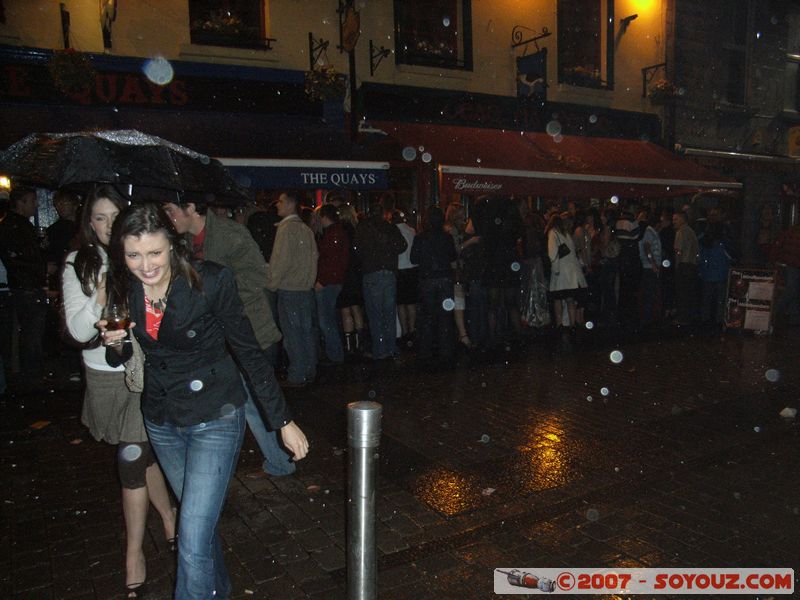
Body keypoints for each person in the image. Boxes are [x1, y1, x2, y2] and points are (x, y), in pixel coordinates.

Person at [102, 204, 308, 600]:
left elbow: (248, 351)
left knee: (191, 536)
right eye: (133, 255)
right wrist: (118, 344)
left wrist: (282, 420)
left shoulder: (209, 281)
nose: (145, 265)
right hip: (162, 419)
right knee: (200, 528)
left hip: (214, 414)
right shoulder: (124, 287)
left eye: (155, 253)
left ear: (173, 246)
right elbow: (126, 357)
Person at [62, 186, 175, 599]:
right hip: (104, 375)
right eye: (99, 218)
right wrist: (102, 293)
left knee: (132, 456)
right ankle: (168, 516)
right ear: (87, 222)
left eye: (114, 216)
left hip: (142, 373)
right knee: (141, 456)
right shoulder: (80, 262)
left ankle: (133, 554)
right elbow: (76, 330)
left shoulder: (138, 254)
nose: (108, 226)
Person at [162, 198, 296, 480]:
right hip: (214, 333)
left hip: (245, 326)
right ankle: (276, 460)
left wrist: (220, 292)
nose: (169, 218)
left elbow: (258, 276)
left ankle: (278, 460)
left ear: (190, 207)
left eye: (171, 211)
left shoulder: (229, 234)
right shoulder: (184, 240)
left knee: (250, 398)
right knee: (242, 399)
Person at [267, 191, 318, 387]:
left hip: (290, 289)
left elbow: (281, 261)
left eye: (280, 201)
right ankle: (309, 370)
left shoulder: (286, 230)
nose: (277, 205)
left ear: (290, 204)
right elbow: (314, 258)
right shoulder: (305, 229)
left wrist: (271, 282)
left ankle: (297, 374)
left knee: (293, 335)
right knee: (306, 332)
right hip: (305, 289)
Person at [0, 186, 47, 377]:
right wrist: (43, 268)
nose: (36, 205)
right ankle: (32, 374)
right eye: (32, 201)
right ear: (21, 203)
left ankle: (29, 371)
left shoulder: (19, 225)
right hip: (26, 286)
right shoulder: (14, 226)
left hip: (25, 285)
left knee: (30, 333)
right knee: (31, 333)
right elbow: (18, 259)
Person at [355, 202, 407, 360]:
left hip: (371, 273)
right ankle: (390, 347)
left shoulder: (363, 228)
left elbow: (356, 248)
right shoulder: (389, 227)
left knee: (375, 313)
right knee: (389, 313)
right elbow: (402, 246)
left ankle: (380, 349)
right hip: (388, 272)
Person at [411, 206, 458, 368]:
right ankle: (446, 352)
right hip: (444, 278)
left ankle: (426, 352)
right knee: (445, 317)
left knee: (428, 317)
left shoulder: (421, 238)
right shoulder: (446, 237)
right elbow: (453, 256)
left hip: (428, 280)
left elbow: (413, 258)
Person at [315, 203, 349, 364]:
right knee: (330, 319)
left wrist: (322, 280)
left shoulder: (332, 234)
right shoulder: (336, 232)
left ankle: (335, 355)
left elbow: (332, 260)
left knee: (326, 320)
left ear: (324, 217)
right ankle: (335, 353)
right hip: (333, 281)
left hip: (329, 282)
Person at [546, 211, 587, 330]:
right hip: (572, 273)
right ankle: (572, 324)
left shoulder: (552, 233)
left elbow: (552, 253)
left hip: (560, 272)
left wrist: (555, 269)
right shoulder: (567, 235)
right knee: (570, 299)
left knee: (558, 299)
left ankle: (560, 324)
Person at [337, 204, 367, 357]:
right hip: (356, 274)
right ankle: (360, 344)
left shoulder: (340, 231)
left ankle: (350, 347)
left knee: (345, 310)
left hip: (345, 273)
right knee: (356, 308)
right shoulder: (357, 230)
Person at [394, 209, 418, 347]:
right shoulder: (411, 230)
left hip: (400, 269)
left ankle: (404, 332)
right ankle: (412, 330)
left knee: (401, 303)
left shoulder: (393, 231)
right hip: (412, 269)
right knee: (411, 303)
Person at [673, 210, 700, 326]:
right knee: (689, 293)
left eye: (676, 219)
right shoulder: (691, 231)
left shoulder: (681, 232)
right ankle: (689, 317)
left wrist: (677, 264)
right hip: (692, 265)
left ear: (682, 219)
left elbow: (678, 251)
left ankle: (682, 318)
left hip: (684, 265)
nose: (674, 222)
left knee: (682, 293)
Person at [638, 210, 662, 328]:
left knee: (650, 292)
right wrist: (653, 263)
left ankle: (648, 318)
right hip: (649, 267)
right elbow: (647, 248)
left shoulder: (651, 232)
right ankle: (647, 320)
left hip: (650, 266)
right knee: (649, 292)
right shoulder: (649, 232)